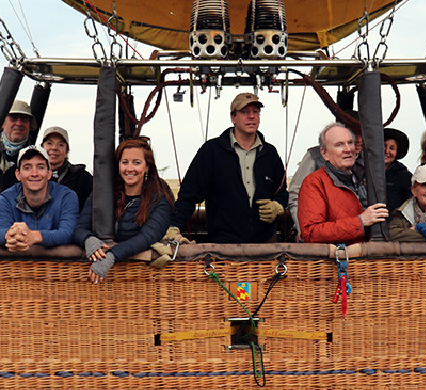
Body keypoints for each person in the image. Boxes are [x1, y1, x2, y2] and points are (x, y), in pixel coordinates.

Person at [169, 92, 288, 243]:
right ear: (233, 118)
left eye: (255, 112)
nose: (251, 116)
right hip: (223, 246)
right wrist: (174, 226)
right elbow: (189, 194)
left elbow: (281, 192)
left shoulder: (270, 153)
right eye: (245, 112)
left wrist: (277, 206)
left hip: (264, 246)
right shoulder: (211, 151)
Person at [73, 138, 175, 283]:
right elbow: (80, 228)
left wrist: (112, 256)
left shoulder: (159, 200)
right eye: (125, 162)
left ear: (147, 167)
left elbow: (147, 237)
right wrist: (88, 240)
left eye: (137, 163)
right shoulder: (102, 195)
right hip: (99, 277)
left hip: (143, 278)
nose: (130, 169)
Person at [297, 123, 388, 244]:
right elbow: (311, 233)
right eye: (339, 145)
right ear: (325, 154)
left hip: (369, 258)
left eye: (350, 143)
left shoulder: (367, 178)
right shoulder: (314, 183)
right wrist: (360, 222)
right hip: (337, 260)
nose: (348, 149)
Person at [0, 145, 79, 251]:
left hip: (56, 265)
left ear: (49, 173)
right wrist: (11, 235)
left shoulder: (67, 196)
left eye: (40, 167)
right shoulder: (6, 198)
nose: (34, 173)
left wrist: (35, 236)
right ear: (18, 175)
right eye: (27, 168)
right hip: (17, 265)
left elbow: (68, 233)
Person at [0, 99, 36, 207]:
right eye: (13, 119)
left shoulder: (34, 157)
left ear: (29, 125)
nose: (19, 123)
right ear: (2, 123)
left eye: (24, 119)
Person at [40, 125, 93, 209]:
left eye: (60, 145)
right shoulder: (31, 176)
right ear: (41, 148)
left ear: (67, 151)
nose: (54, 148)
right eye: (49, 143)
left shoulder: (83, 178)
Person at [383, 127, 413, 212]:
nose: (386, 151)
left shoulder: (405, 176)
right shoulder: (363, 171)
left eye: (392, 148)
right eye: (383, 146)